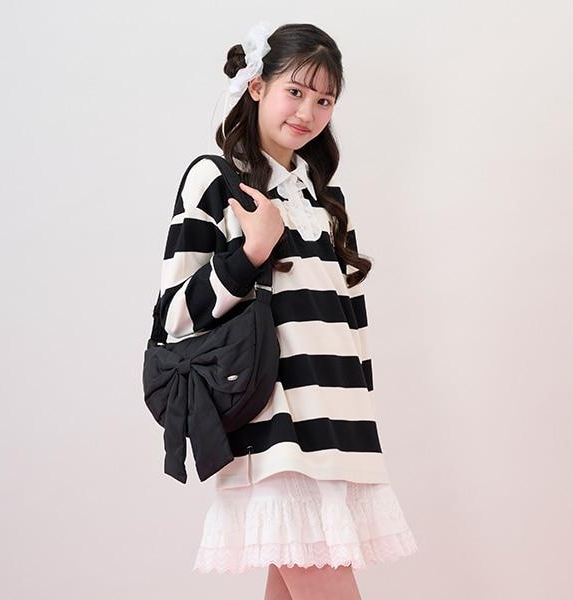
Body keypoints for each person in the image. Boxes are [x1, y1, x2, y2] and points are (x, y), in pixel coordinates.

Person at [156, 20, 418, 600]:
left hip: (338, 428)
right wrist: (251, 252)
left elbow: (352, 329)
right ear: (257, 87)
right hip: (274, 432)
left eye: (324, 100)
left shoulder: (324, 202)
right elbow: (174, 315)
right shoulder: (215, 180)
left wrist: (362, 428)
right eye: (295, 91)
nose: (308, 112)